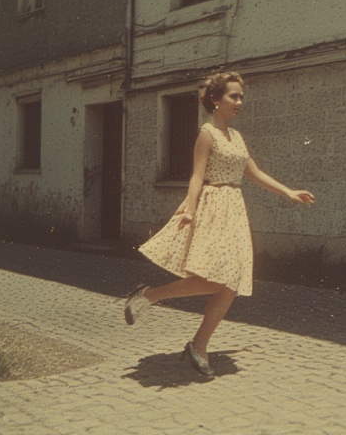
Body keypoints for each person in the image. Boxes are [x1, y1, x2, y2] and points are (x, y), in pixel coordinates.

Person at [124, 71, 315, 376]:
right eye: (233, 96)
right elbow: (197, 175)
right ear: (215, 99)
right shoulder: (207, 134)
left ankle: (198, 346)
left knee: (230, 285)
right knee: (216, 280)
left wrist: (288, 192)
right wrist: (189, 209)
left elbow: (254, 173)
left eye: (241, 97)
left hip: (234, 210)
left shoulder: (236, 137)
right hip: (212, 207)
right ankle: (149, 295)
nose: (239, 102)